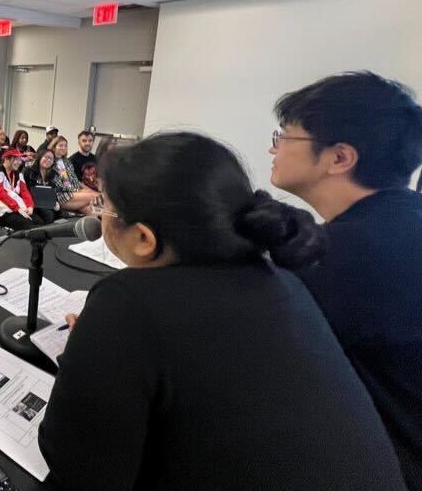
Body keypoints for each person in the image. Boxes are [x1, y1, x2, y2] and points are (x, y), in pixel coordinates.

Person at [39, 132, 405, 490]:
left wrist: (85, 353)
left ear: (143, 239)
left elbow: (78, 467)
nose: (99, 215)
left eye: (105, 205)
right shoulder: (284, 282)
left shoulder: (127, 303)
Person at [269, 71, 422, 487]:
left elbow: (254, 366)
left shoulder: (341, 256)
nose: (272, 148)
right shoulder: (404, 221)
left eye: (284, 137)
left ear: (339, 158)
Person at [0, 149, 45, 231]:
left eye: (20, 159)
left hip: (17, 206)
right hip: (3, 210)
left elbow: (25, 192)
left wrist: (30, 206)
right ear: (6, 159)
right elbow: (1, 194)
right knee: (30, 226)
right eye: (16, 159)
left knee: (39, 221)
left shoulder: (17, 174)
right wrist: (17, 209)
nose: (19, 162)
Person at [50, 136, 98, 213]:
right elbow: (60, 185)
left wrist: (82, 190)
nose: (63, 148)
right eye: (60, 145)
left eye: (65, 146)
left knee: (90, 208)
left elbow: (75, 180)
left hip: (73, 192)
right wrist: (77, 190)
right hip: (62, 196)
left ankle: (105, 222)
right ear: (54, 147)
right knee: (96, 196)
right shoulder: (51, 162)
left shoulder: (67, 162)